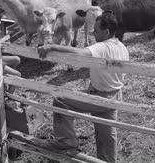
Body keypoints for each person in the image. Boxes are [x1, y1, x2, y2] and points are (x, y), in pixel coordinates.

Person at [38, 11, 129, 163]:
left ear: (106, 32)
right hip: (115, 95)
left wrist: (52, 46)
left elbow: (78, 53)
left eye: (96, 30)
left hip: (101, 97)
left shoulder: (102, 47)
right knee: (106, 135)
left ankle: (67, 141)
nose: (93, 32)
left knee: (61, 100)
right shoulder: (122, 47)